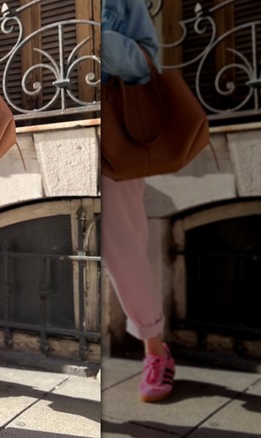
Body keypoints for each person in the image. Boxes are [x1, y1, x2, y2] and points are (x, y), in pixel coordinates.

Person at [101, 0, 175, 402]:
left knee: (123, 248)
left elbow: (148, 63)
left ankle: (155, 350)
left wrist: (100, 41)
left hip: (119, 132)